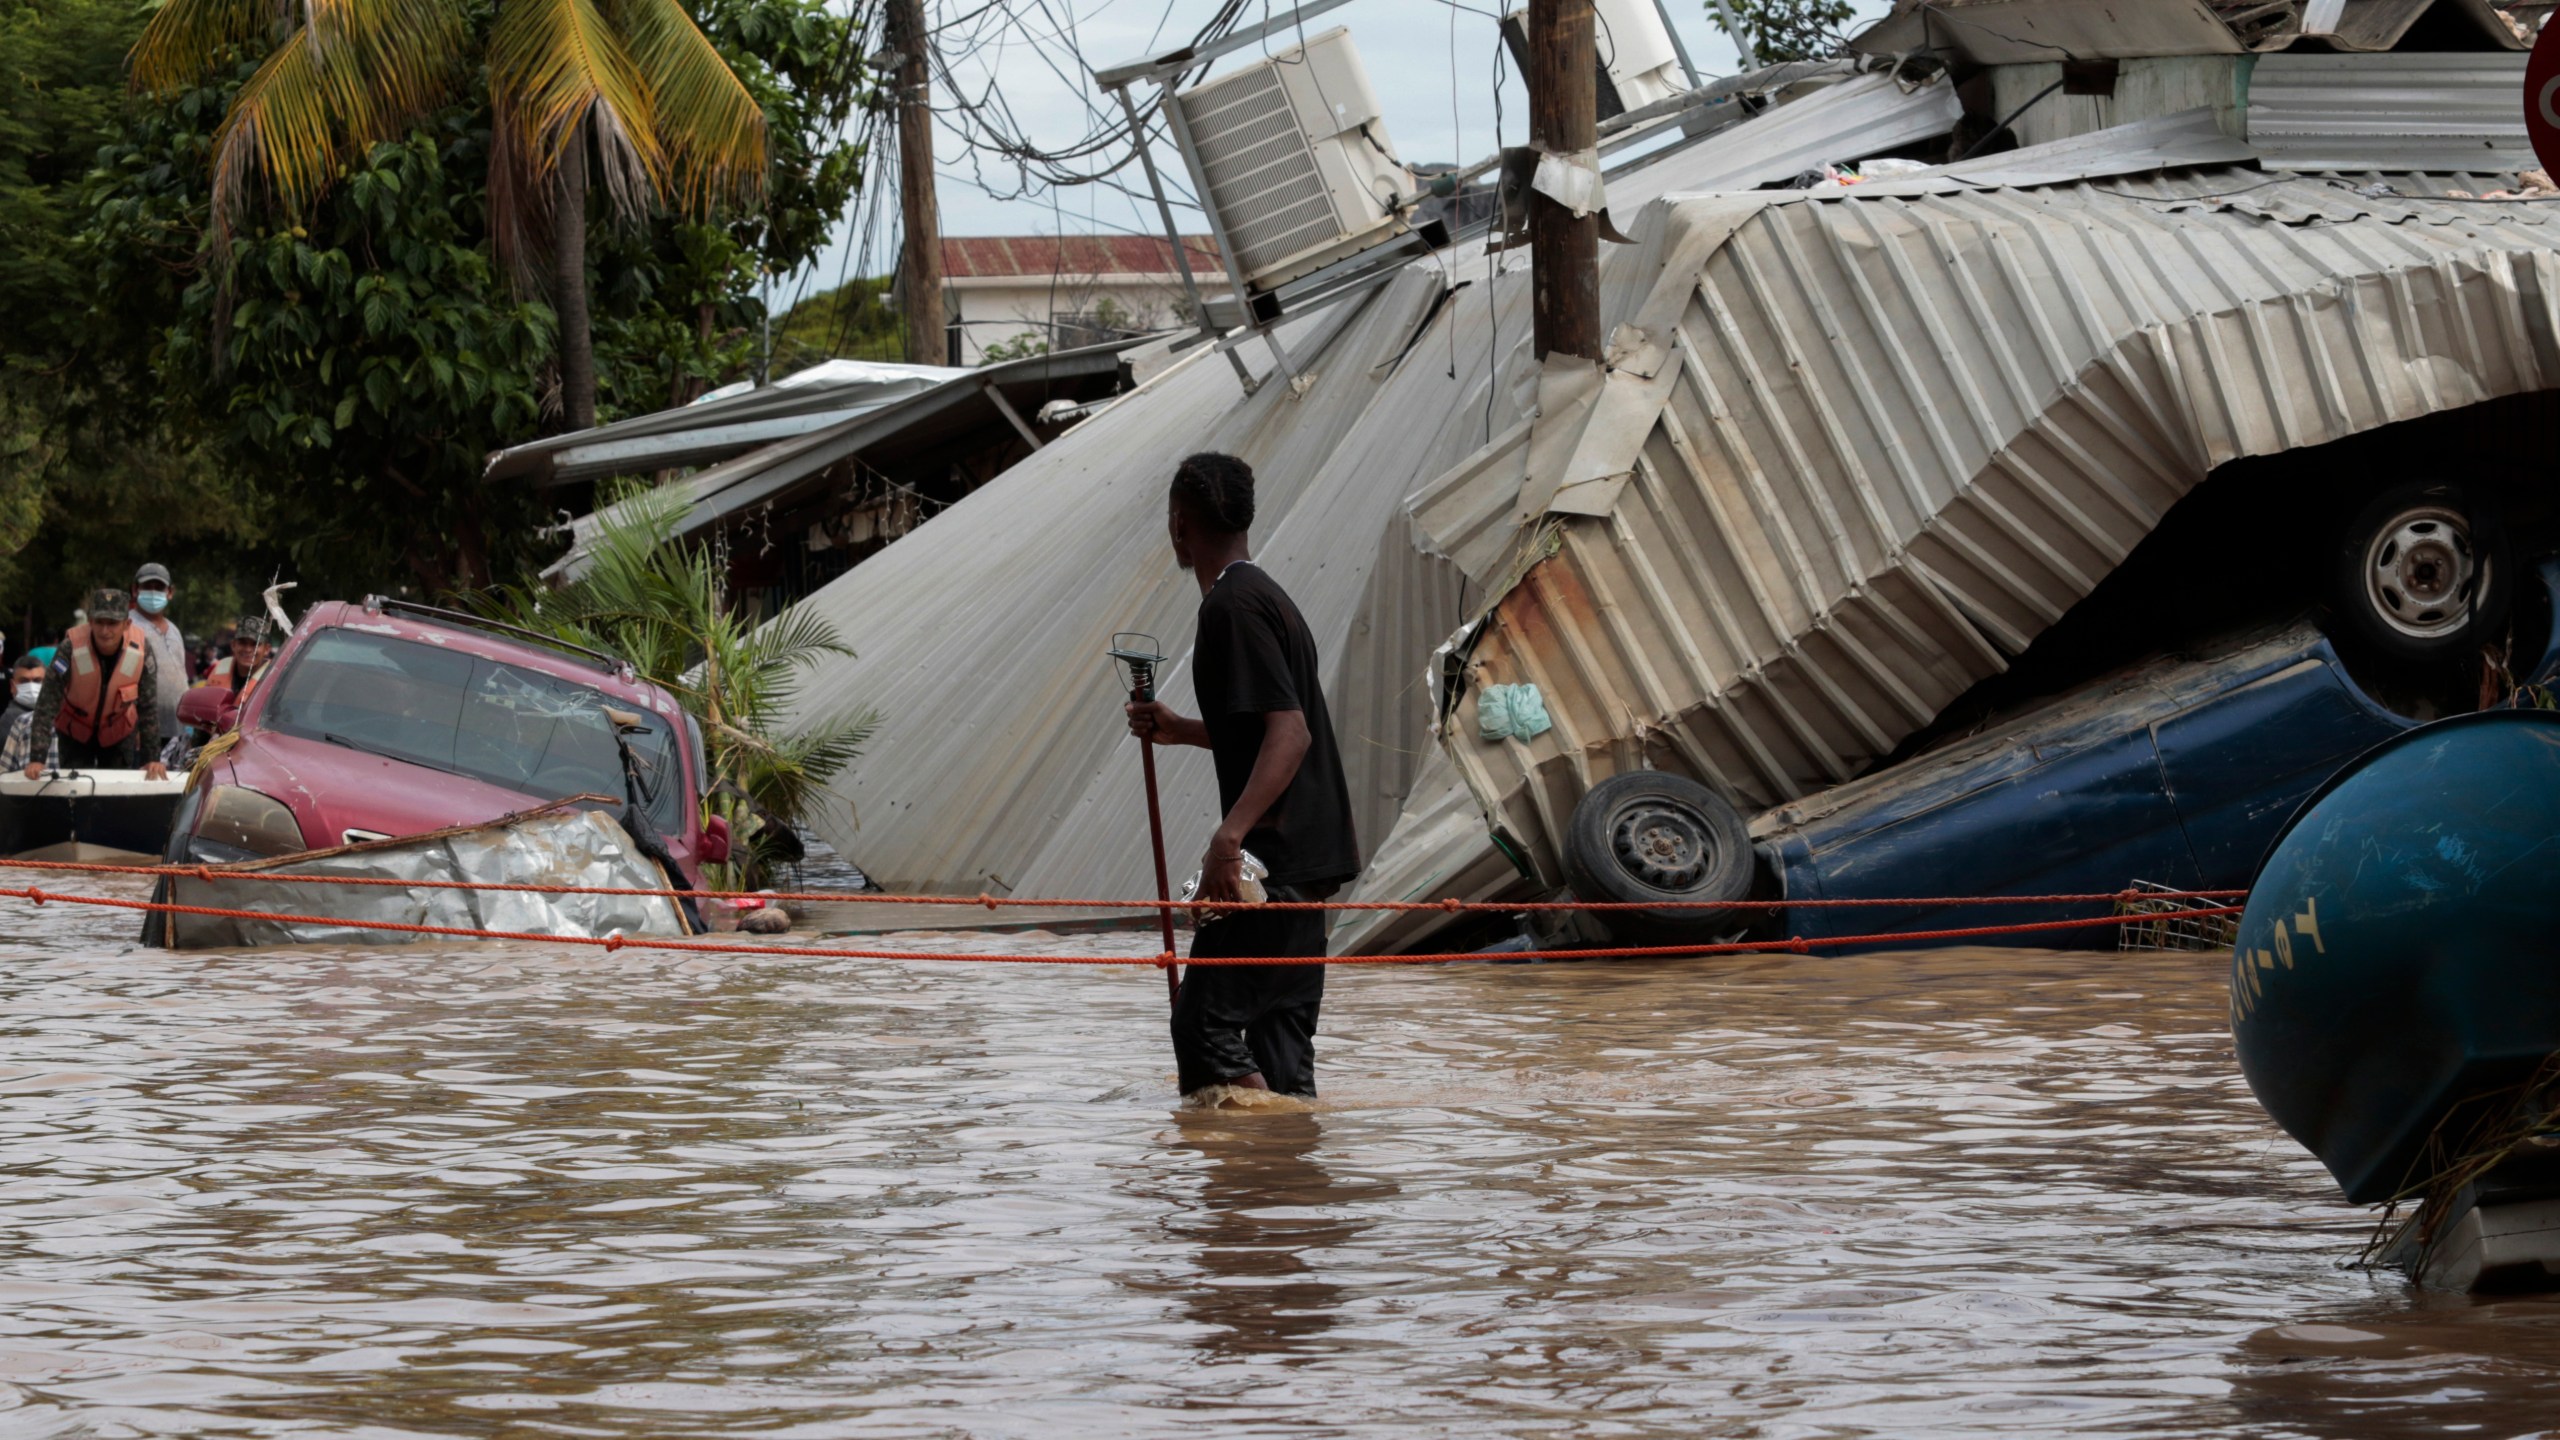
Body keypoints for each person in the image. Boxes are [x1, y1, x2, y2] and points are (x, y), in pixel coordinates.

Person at [1125, 452, 1360, 1102]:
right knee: (1283, 1056)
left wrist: (1228, 839)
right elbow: (1265, 730)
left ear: (1178, 527)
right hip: (1305, 872)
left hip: (1270, 867)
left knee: (1201, 1026)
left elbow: (1291, 733)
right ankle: (1286, 1182)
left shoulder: (1230, 607)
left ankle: (1265, 1155)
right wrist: (1184, 730)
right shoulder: (1268, 597)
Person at [23, 588, 168, 780]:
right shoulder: (71, 647)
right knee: (75, 793)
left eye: (113, 623)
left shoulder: (140, 650)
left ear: (126, 624)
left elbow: (148, 707)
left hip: (118, 731)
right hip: (75, 732)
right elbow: (47, 702)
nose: (105, 631)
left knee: (116, 794)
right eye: (99, 622)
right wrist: (37, 758)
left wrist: (151, 758)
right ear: (90, 621)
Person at [129, 562, 189, 742]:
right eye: (147, 587)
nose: (153, 592)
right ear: (135, 590)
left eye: (159, 587)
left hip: (177, 730)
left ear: (170, 592)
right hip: (142, 731)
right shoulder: (128, 627)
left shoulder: (174, 630)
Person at [1, 653, 53, 775]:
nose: (31, 686)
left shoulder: (56, 716)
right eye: (24, 681)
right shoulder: (8, 721)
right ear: (12, 686)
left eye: (37, 681)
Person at [197, 616, 272, 697]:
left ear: (267, 649)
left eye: (255, 644)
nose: (248, 649)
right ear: (233, 645)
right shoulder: (218, 669)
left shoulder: (275, 681)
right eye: (242, 643)